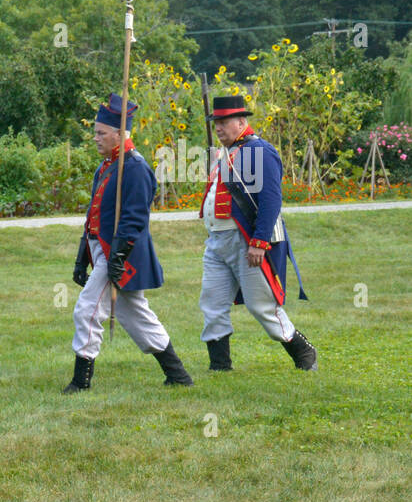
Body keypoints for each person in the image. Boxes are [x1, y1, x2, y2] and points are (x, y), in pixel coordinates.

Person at [64, 96, 193, 393]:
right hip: (103, 253)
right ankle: (177, 374)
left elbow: (134, 219)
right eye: (95, 132)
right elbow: (92, 218)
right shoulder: (107, 167)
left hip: (121, 254)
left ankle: (81, 382)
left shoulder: (134, 169)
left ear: (120, 133)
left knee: (87, 309)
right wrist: (82, 258)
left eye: (101, 133)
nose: (95, 138)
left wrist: (117, 259)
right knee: (135, 315)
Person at [198, 94, 316, 371]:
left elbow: (271, 199)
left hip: (247, 241)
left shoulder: (260, 150)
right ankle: (219, 366)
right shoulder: (223, 154)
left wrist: (259, 241)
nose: (219, 128)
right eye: (216, 122)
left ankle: (303, 351)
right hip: (216, 241)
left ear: (241, 122)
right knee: (212, 303)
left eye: (224, 122)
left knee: (261, 306)